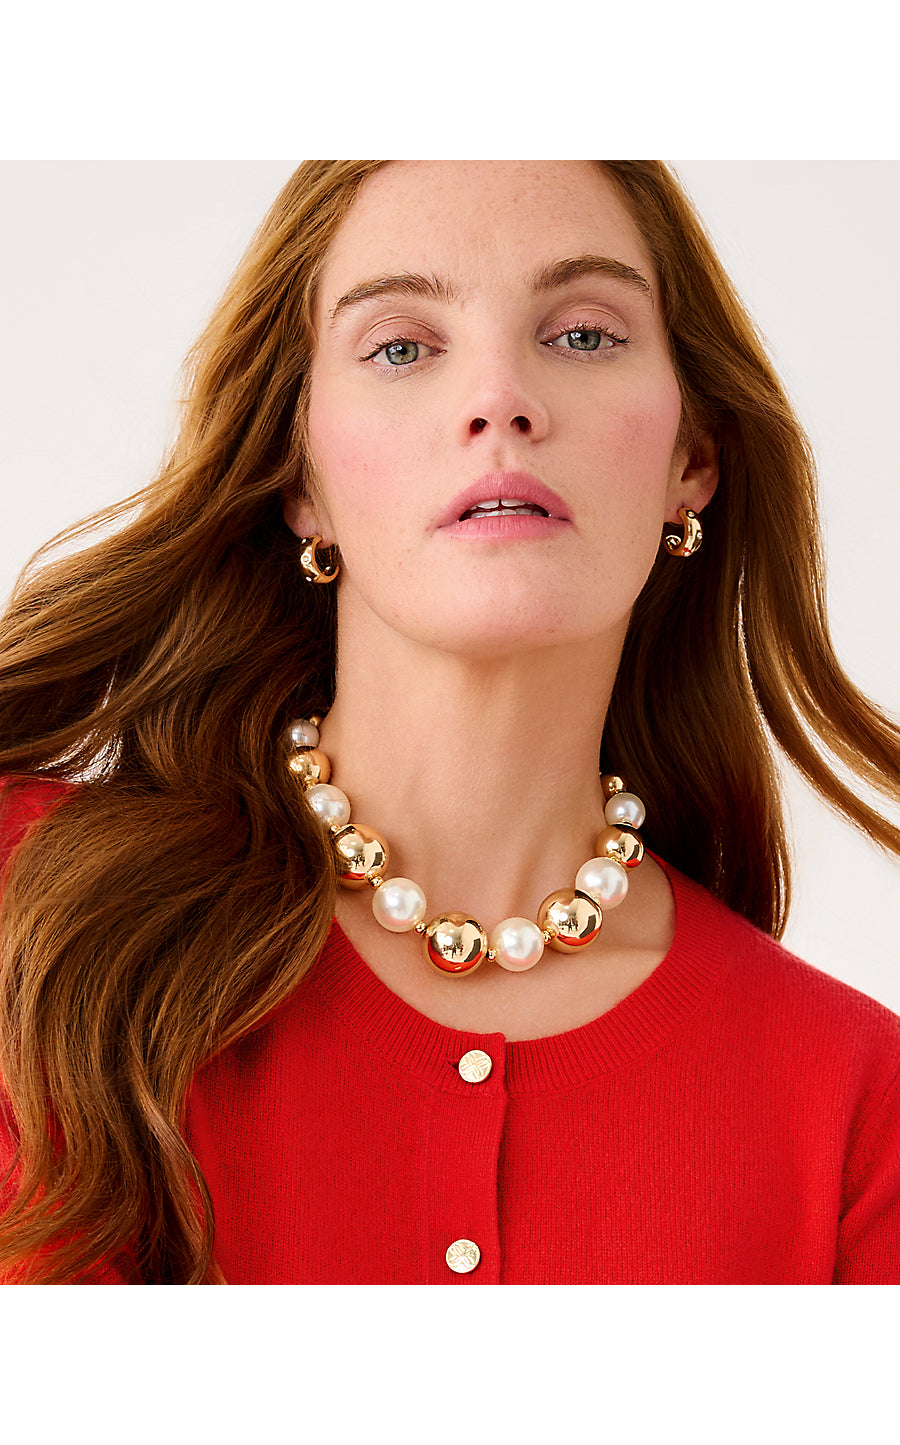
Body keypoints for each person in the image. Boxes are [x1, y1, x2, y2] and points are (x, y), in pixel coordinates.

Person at [1, 160, 898, 1286]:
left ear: (693, 460)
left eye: (582, 334)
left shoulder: (854, 1103)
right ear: (301, 478)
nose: (499, 399)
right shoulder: (30, 910)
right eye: (400, 347)